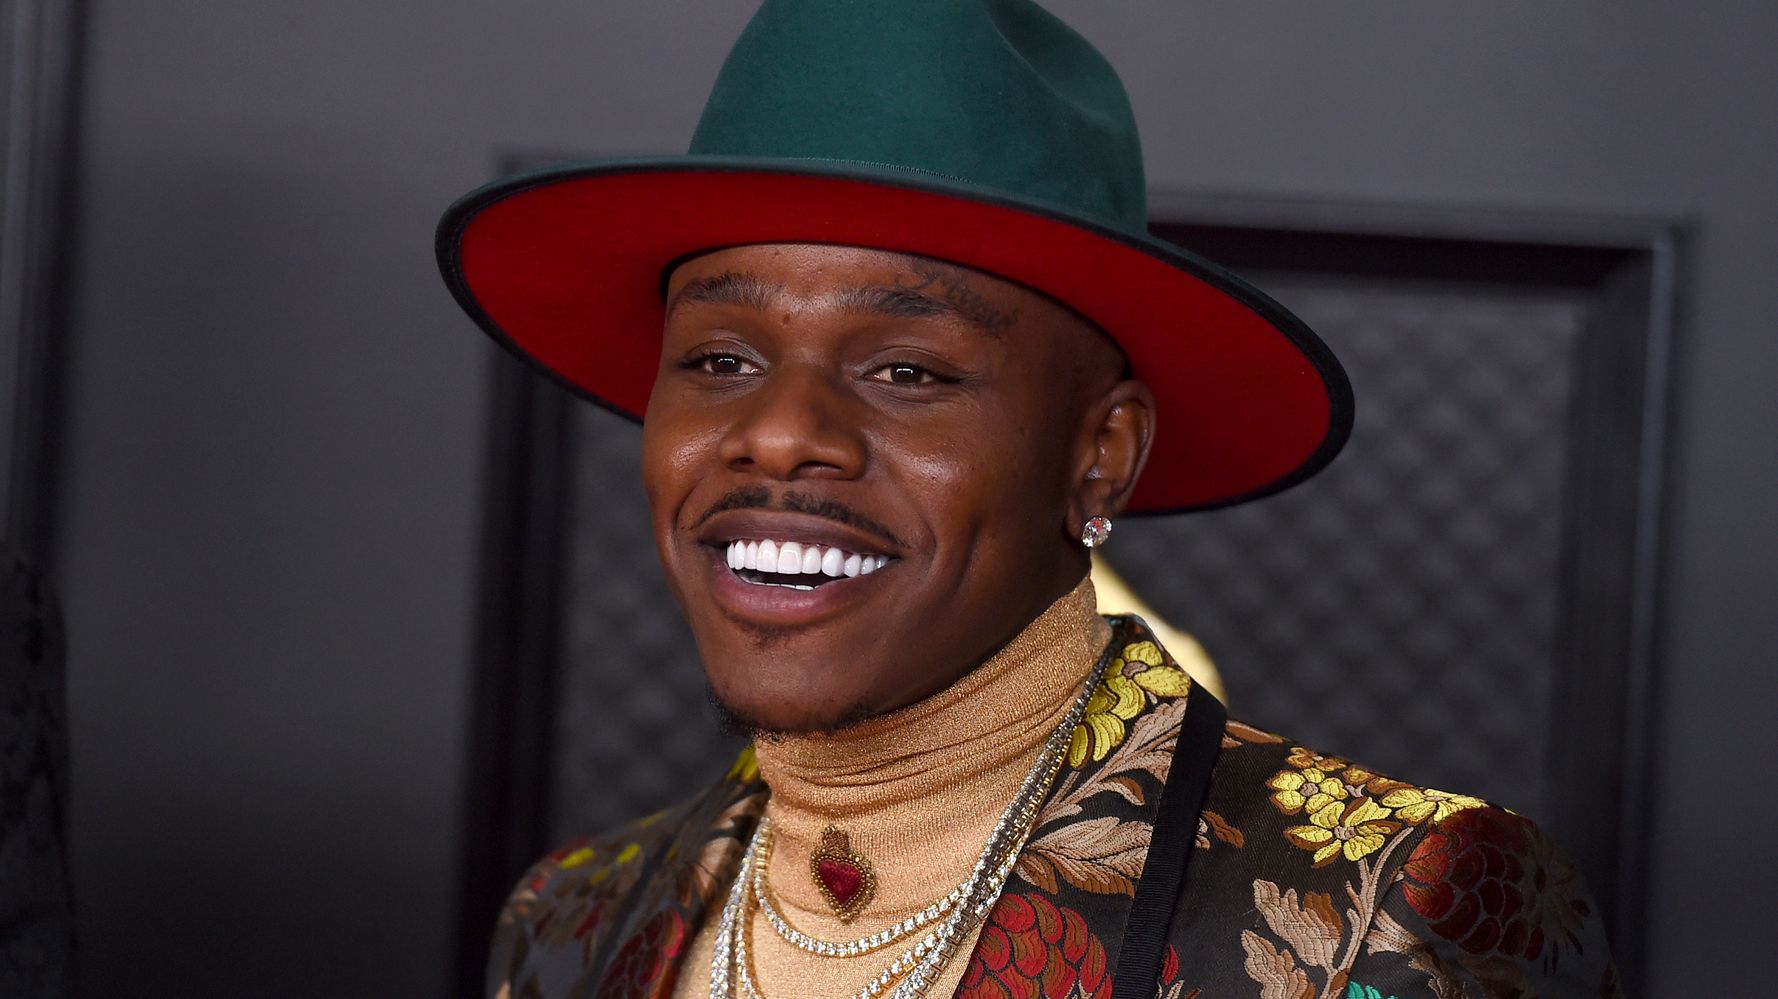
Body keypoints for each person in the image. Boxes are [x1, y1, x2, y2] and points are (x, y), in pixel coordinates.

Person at [436, 2, 1620, 996]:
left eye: (908, 372)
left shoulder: (1400, 908)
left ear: (1098, 455)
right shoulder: (568, 921)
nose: (781, 434)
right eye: (718, 359)